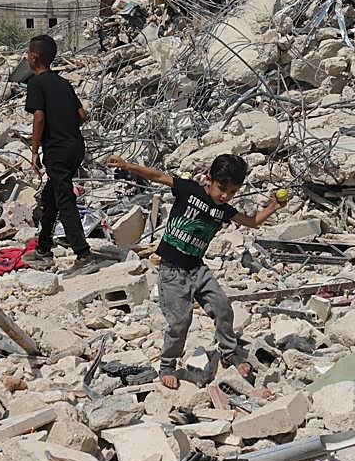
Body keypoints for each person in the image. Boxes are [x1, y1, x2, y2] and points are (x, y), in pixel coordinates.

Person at [105, 152, 288, 389]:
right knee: (180, 321)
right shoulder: (189, 190)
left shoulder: (224, 210)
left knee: (222, 307)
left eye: (232, 192)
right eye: (222, 188)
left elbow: (252, 222)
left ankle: (229, 352)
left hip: (197, 268)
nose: (225, 195)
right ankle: (168, 365)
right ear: (209, 179)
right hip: (172, 271)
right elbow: (159, 176)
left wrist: (274, 205)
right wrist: (127, 165)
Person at [22, 34, 96, 272]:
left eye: (27, 53)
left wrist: (34, 151)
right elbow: (82, 115)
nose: (26, 57)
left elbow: (39, 117)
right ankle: (44, 248)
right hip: (75, 147)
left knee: (65, 199)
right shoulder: (63, 83)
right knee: (51, 196)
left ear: (34, 57)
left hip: (57, 151)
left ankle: (83, 254)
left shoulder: (36, 83)